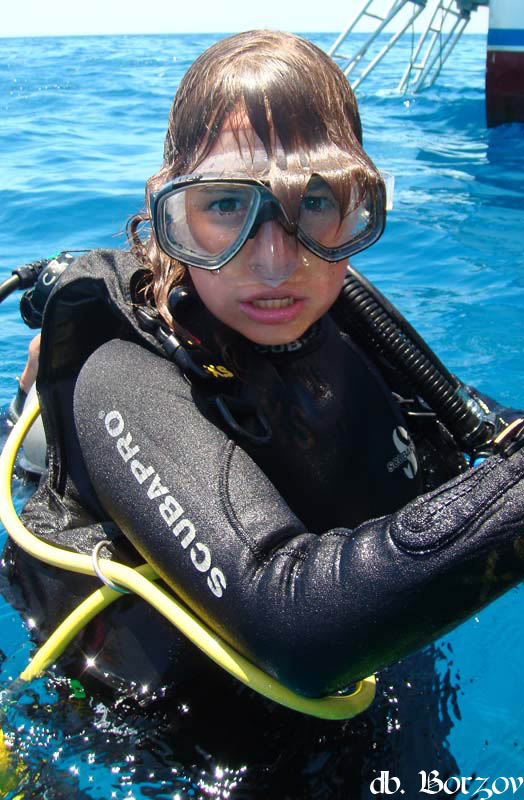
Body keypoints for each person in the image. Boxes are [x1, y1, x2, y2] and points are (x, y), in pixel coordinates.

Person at [3, 28, 524, 794]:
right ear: (167, 213)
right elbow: (293, 625)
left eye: (315, 203)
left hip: (372, 699)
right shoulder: (117, 377)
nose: (276, 260)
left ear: (357, 209)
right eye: (223, 207)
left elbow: (480, 433)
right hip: (174, 758)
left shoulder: (340, 311)